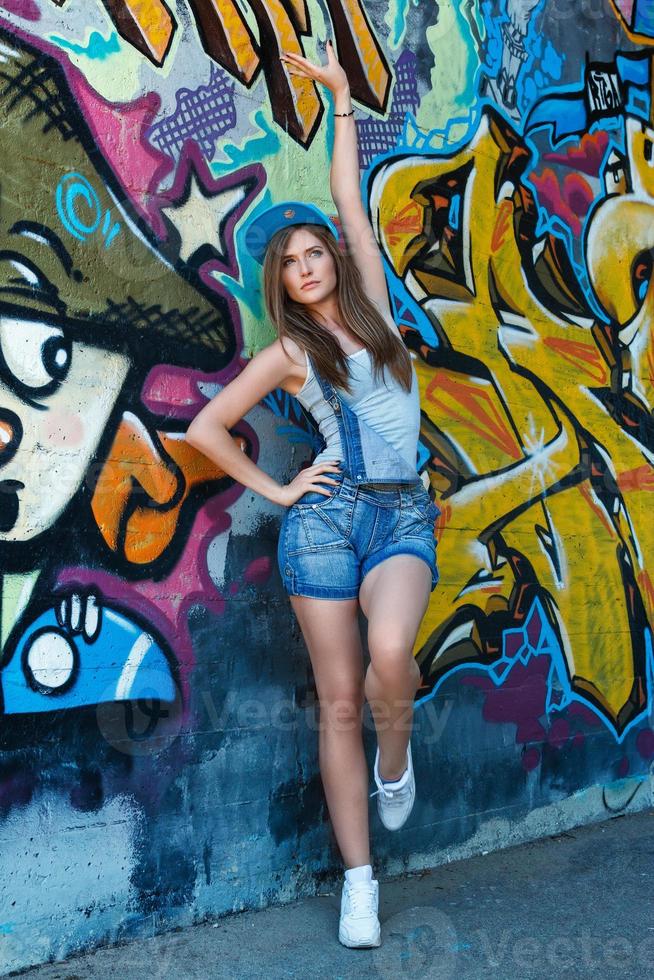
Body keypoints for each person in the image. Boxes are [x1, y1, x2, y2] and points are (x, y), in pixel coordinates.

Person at [185, 41, 439, 949]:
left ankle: (397, 760)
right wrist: (282, 487)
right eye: (289, 262)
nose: (307, 265)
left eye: (314, 252)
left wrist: (340, 101)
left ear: (334, 258)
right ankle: (359, 883)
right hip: (326, 527)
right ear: (282, 284)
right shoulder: (290, 355)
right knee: (339, 702)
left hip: (402, 512)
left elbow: (347, 199)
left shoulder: (374, 303)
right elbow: (205, 430)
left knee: (392, 653)